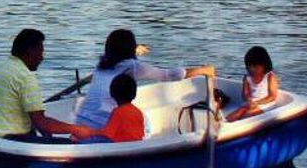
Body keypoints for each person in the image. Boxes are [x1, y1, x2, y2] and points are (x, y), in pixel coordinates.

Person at [75, 29, 215, 129]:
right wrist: (203, 70)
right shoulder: (134, 67)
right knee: (146, 124)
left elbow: (118, 55)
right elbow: (170, 75)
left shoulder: (101, 65)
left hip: (81, 123)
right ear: (130, 49)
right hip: (104, 127)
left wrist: (134, 50)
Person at [0, 28, 95, 142]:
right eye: (40, 52)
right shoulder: (25, 76)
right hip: (11, 139)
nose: (42, 57)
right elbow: (41, 122)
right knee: (72, 145)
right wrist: (76, 129)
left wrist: (49, 138)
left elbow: (36, 121)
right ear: (30, 51)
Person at [77, 74, 145, 144]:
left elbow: (108, 133)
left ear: (112, 93)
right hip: (136, 144)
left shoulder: (119, 112)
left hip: (121, 146)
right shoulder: (137, 111)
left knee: (82, 139)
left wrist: (90, 132)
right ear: (134, 94)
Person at [228, 46, 279, 122]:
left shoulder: (270, 76)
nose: (252, 69)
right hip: (251, 103)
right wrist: (249, 100)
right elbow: (245, 94)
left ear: (264, 65)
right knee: (233, 115)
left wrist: (257, 103)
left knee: (247, 116)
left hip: (265, 104)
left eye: (255, 67)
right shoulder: (247, 77)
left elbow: (272, 96)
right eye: (249, 67)